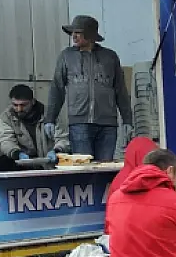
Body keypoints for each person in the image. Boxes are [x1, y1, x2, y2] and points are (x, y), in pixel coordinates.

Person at [45, 14, 132, 162]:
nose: (74, 36)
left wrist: (127, 120)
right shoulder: (66, 56)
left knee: (105, 166)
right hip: (79, 124)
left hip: (108, 125)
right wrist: (50, 119)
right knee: (83, 167)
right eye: (73, 32)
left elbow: (120, 90)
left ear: (90, 35)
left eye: (78, 32)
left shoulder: (110, 57)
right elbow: (57, 89)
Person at [0, 84, 69, 171]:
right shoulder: (6, 117)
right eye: (15, 105)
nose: (19, 109)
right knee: (2, 163)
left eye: (23, 105)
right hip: (23, 162)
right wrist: (17, 153)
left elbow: (62, 138)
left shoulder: (50, 115)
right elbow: (6, 140)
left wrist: (57, 151)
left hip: (50, 162)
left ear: (33, 102)